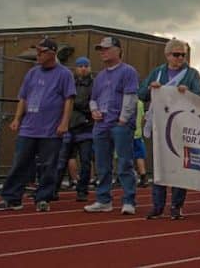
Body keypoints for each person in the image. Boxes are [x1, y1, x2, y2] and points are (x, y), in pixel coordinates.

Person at [0, 39, 75, 212]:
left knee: (48, 165)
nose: (37, 56)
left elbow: (69, 100)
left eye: (41, 52)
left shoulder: (64, 74)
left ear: (52, 53)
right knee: (20, 162)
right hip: (29, 128)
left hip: (51, 130)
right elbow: (23, 97)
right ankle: (11, 198)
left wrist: (64, 123)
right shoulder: (32, 73)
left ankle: (43, 198)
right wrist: (17, 119)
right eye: (37, 52)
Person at [138, 38, 200, 220]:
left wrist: (188, 92)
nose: (180, 58)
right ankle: (157, 205)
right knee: (159, 164)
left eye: (183, 55)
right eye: (176, 54)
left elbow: (199, 95)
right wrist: (151, 88)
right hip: (160, 124)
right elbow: (141, 93)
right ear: (167, 55)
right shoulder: (158, 73)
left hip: (181, 125)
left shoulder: (191, 74)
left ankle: (176, 205)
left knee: (178, 165)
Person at [83, 37, 140, 214]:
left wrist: (122, 120)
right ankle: (103, 199)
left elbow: (131, 96)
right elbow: (93, 98)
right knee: (102, 164)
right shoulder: (100, 76)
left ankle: (129, 200)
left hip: (118, 124)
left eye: (106, 49)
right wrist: (94, 111)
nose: (103, 52)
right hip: (101, 124)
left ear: (118, 50)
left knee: (124, 163)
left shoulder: (128, 71)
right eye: (101, 49)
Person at [54, 56, 95, 202]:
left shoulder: (93, 84)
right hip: (69, 126)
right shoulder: (69, 83)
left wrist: (73, 104)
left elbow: (87, 102)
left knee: (85, 161)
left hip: (86, 127)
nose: (83, 68)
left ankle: (82, 190)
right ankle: (53, 189)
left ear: (89, 67)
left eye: (86, 65)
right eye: (80, 66)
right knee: (61, 160)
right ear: (76, 68)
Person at [133, 100, 148, 188]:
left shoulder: (122, 102)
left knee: (124, 155)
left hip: (127, 133)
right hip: (137, 133)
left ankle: (130, 176)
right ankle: (143, 177)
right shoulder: (140, 103)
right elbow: (143, 119)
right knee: (139, 156)